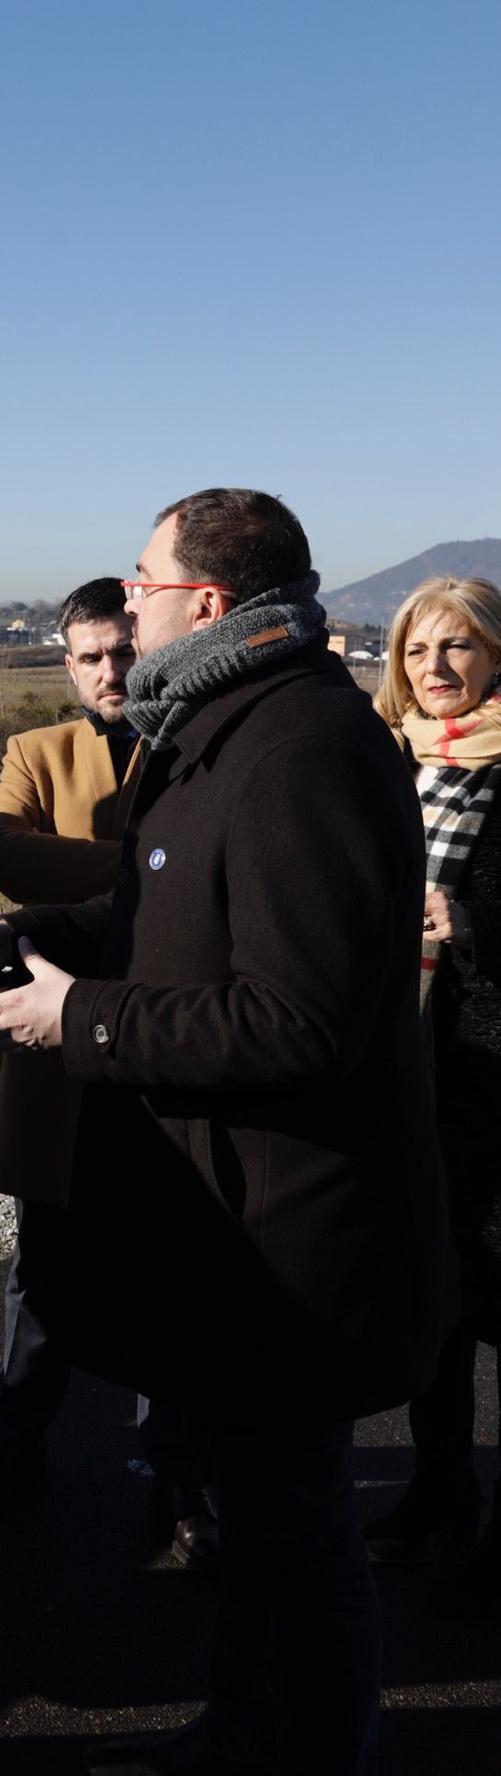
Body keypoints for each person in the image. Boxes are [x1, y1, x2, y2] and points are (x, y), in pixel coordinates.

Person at [0, 489, 454, 1776]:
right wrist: (23, 944)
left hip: (289, 1252)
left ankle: (304, 1748)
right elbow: (177, 930)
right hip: (237, 1245)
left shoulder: (297, 745)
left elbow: (297, 1018)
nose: (125, 597)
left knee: (295, 1540)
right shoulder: (219, 724)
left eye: (143, 581)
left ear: (205, 602)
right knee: (260, 1531)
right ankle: (245, 1731)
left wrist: (74, 1020)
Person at [0, 577, 217, 1570]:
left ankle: (177, 1471)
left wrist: (128, 869)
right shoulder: (35, 752)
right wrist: (159, 869)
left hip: (165, 1050)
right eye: (90, 655)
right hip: (57, 1055)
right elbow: (11, 859)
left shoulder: (195, 747)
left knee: (174, 1268)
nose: (111, 670)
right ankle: (14, 1442)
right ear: (66, 664)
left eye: (122, 649)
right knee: (42, 1268)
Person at [361, 575, 501, 1613]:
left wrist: (475, 927)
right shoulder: (384, 769)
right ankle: (440, 1488)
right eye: (417, 650)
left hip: (492, 1084)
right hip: (404, 1076)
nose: (436, 669)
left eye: (457, 648)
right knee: (432, 1308)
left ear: (495, 655)